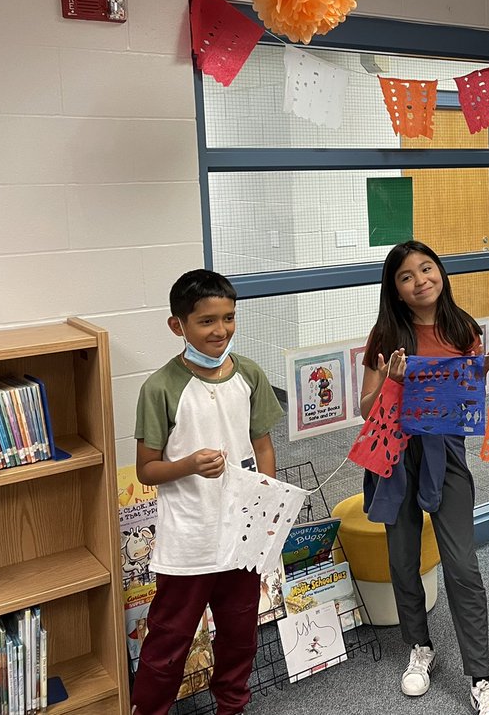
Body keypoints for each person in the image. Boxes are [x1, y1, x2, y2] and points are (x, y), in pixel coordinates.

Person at [358, 241, 489, 715]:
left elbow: (464, 409)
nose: (420, 279)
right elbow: (366, 411)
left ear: (440, 273)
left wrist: (477, 376)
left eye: (427, 268)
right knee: (402, 560)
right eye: (406, 275)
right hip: (395, 454)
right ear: (395, 290)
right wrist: (394, 379)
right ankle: (419, 647)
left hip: (447, 453)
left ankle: (480, 674)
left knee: (463, 566)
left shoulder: (464, 329)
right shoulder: (386, 335)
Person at [131, 269, 281, 715]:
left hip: (241, 535)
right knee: (169, 641)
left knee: (239, 635)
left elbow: (263, 445)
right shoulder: (160, 387)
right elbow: (146, 469)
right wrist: (189, 465)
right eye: (207, 321)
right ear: (178, 325)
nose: (221, 330)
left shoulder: (250, 374)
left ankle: (231, 707)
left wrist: (268, 506)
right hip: (189, 539)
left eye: (229, 318)